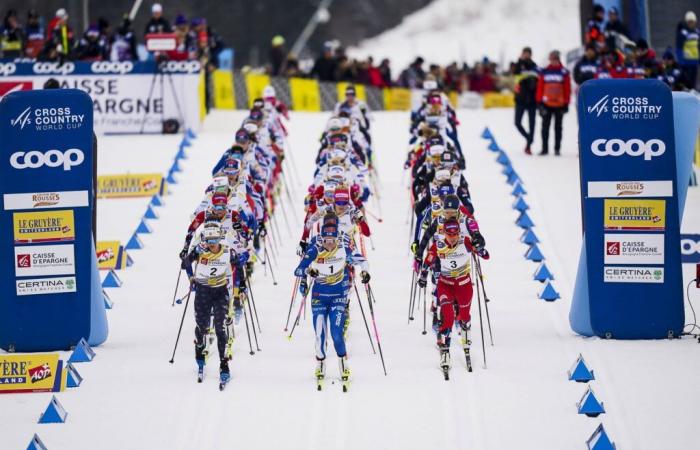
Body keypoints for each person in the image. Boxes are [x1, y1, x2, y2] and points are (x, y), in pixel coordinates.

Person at [294, 221, 370, 390]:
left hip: (338, 296)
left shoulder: (344, 247)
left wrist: (365, 272)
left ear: (337, 237)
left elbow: (363, 261)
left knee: (337, 334)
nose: (329, 242)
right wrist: (308, 271)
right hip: (319, 297)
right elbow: (298, 270)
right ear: (322, 237)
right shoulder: (315, 248)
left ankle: (343, 363)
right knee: (320, 335)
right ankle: (320, 363)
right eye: (326, 239)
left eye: (332, 239)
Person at [182, 222, 247, 389]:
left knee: (220, 328)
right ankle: (200, 349)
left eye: (215, 239)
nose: (212, 244)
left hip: (220, 292)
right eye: (209, 240)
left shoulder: (227, 251)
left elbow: (239, 265)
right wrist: (193, 256)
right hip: (203, 291)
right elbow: (185, 264)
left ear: (220, 238)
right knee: (202, 327)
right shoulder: (200, 250)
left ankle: (224, 364)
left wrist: (242, 286)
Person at [419, 217, 486, 375]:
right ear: (445, 233)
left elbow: (485, 255)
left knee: (464, 316)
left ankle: (466, 337)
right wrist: (422, 274)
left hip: (463, 285)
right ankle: (446, 351)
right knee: (447, 316)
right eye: (449, 234)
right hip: (446, 285)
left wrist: (481, 246)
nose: (453, 237)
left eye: (455, 233)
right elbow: (429, 257)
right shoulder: (440, 244)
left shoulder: (466, 241)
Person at [536, 50, 570, 156]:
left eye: (556, 58)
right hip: (546, 104)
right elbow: (540, 87)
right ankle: (544, 149)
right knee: (545, 127)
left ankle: (557, 149)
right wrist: (539, 102)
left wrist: (566, 103)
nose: (554, 60)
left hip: (559, 104)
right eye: (552, 58)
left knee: (558, 128)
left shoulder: (564, 72)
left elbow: (567, 88)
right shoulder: (544, 71)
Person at [513, 47, 538, 154]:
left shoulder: (535, 66)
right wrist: (520, 61)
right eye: (525, 53)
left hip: (532, 99)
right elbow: (515, 73)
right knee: (517, 123)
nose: (526, 55)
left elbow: (538, 81)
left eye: (528, 53)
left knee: (532, 124)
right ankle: (529, 138)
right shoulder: (518, 65)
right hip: (521, 99)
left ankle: (528, 146)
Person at [676, 11, 699, 90]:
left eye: (693, 22)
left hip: (695, 60)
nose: (691, 24)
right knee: (687, 80)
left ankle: (693, 91)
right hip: (686, 61)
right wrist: (680, 60)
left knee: (693, 80)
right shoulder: (683, 33)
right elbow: (679, 47)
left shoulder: (697, 32)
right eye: (689, 22)